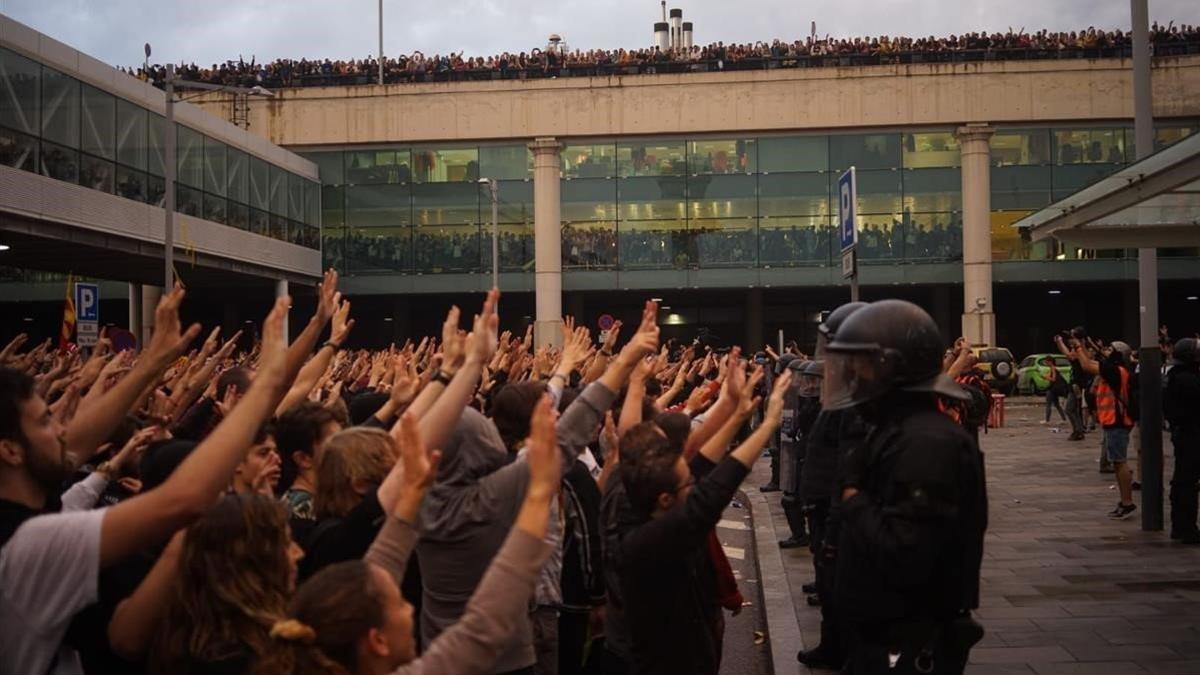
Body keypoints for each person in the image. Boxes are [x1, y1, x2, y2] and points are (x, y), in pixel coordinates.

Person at [0, 289, 292, 675]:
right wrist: (269, 382)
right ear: (10, 451)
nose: (61, 428)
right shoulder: (27, 545)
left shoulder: (40, 514)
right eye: (44, 422)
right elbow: (184, 498)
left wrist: (151, 362)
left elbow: (125, 638)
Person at [256, 397, 560, 675]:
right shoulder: (340, 540)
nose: (412, 609)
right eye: (399, 605)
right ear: (376, 639)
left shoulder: (346, 535)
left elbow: (390, 545)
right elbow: (482, 623)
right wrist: (538, 493)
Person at [822, 299, 987, 674]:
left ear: (891, 367)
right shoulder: (900, 429)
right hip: (883, 637)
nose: (851, 377)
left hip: (908, 643)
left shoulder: (926, 443)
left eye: (859, 365)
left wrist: (852, 498)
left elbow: (905, 551)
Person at [614, 362, 791, 675]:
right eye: (687, 485)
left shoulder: (642, 494)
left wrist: (737, 413)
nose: (693, 485)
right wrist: (767, 426)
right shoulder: (646, 541)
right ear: (665, 500)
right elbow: (712, 493)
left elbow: (702, 463)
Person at [150, 493, 305, 674]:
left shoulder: (186, 639)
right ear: (250, 561)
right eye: (286, 544)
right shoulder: (237, 662)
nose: (299, 553)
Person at [796, 301, 867, 670]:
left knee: (839, 588)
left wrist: (834, 532)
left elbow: (847, 471)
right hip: (824, 509)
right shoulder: (840, 401)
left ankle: (842, 649)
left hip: (837, 515)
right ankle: (833, 644)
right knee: (828, 587)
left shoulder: (858, 407)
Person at [1077, 341, 1137, 520]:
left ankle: (1127, 502)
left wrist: (1078, 347)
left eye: (1110, 349)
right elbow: (1090, 363)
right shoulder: (1116, 370)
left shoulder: (1115, 372)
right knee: (1118, 463)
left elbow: (1087, 365)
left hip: (1117, 420)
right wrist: (1079, 344)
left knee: (1120, 462)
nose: (1106, 351)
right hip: (1114, 421)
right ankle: (1124, 500)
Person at [1165, 337, 1199, 544]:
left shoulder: (1175, 375)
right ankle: (1186, 528)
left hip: (1183, 433)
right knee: (1186, 483)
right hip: (1191, 433)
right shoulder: (1187, 378)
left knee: (1183, 481)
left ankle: (1181, 526)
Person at [1042, 357, 1068, 425]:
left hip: (1052, 389)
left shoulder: (1053, 368)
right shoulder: (1052, 368)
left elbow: (1053, 379)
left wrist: (1046, 377)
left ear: (1050, 362)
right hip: (1055, 389)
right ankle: (1064, 419)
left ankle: (1047, 420)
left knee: (1048, 404)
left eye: (1047, 361)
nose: (1046, 363)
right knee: (1057, 405)